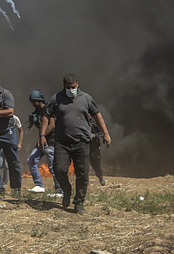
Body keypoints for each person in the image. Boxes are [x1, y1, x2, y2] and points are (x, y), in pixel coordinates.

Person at [39, 74, 111, 215]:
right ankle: (67, 190)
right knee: (59, 169)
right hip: (62, 142)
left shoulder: (86, 98)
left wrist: (106, 133)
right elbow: (46, 116)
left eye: (73, 87)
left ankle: (79, 203)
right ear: (63, 86)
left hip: (82, 142)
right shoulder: (56, 98)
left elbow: (97, 115)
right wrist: (42, 135)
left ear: (77, 84)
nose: (71, 90)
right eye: (68, 87)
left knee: (82, 174)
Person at [26, 90, 59, 194]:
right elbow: (39, 127)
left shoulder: (48, 109)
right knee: (31, 160)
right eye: (31, 101)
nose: (32, 104)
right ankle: (39, 185)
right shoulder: (37, 112)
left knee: (53, 167)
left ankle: (60, 190)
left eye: (34, 101)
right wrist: (34, 121)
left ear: (39, 100)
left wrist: (42, 136)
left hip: (51, 141)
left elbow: (52, 125)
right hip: (42, 141)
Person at [0, 114, 23, 196]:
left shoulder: (15, 118)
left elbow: (21, 130)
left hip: (10, 144)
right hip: (0, 144)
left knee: (9, 165)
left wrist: (19, 143)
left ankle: (9, 185)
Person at [88, 113, 107, 186]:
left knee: (96, 165)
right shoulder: (81, 121)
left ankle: (100, 177)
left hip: (94, 148)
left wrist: (94, 135)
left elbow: (102, 133)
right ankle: (84, 182)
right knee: (83, 165)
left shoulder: (95, 122)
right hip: (84, 147)